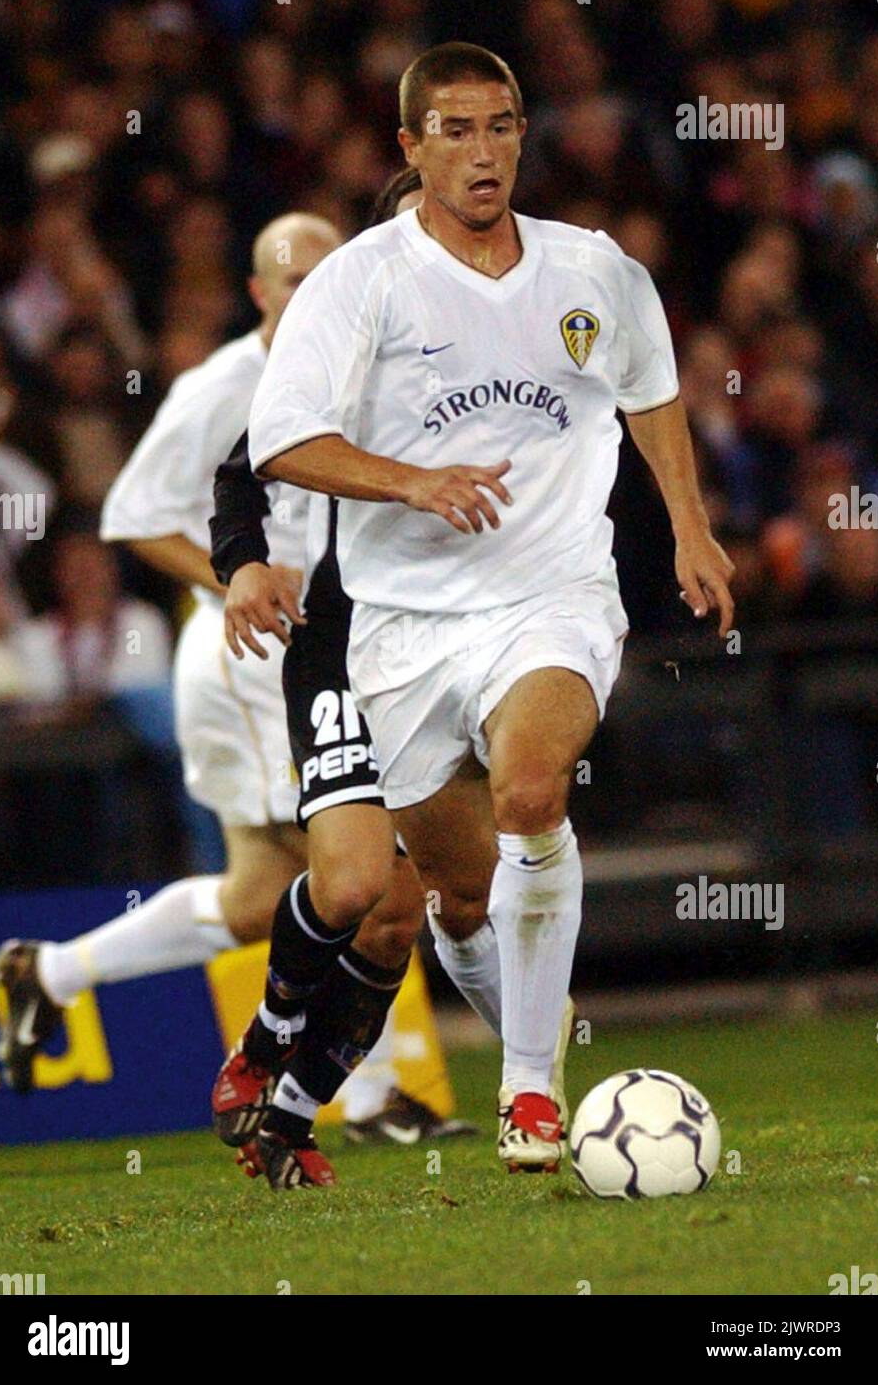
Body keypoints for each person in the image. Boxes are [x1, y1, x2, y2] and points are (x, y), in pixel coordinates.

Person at [241, 43, 735, 1176]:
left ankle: (527, 1088)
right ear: (409, 149)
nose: (482, 151)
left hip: (553, 590)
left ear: (524, 136)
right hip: (405, 626)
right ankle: (520, 1028)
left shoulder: (592, 270)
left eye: (501, 126)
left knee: (530, 787)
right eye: (454, 131)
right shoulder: (359, 281)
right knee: (459, 898)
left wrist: (690, 525)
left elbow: (650, 385)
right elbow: (281, 439)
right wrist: (410, 479)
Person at [210, 170, 483, 1188]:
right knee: (356, 880)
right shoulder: (352, 341)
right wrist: (240, 563)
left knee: (406, 912)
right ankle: (263, 1042)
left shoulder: (526, 338)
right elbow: (247, 466)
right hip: (346, 638)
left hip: (464, 646)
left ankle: (287, 1117)